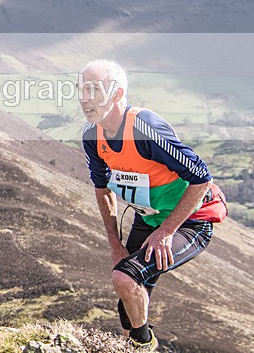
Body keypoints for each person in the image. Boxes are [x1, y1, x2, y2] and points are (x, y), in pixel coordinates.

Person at [79, 60, 219, 351]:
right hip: (148, 218)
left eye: (93, 89)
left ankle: (143, 345)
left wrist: (167, 232)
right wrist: (115, 243)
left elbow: (202, 178)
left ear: (116, 95)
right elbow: (103, 190)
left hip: (190, 220)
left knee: (124, 278)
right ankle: (135, 341)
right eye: (81, 88)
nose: (84, 97)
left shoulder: (145, 129)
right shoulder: (92, 136)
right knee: (127, 306)